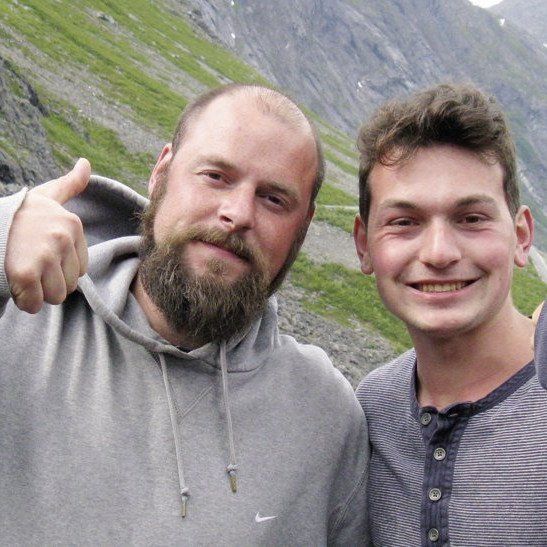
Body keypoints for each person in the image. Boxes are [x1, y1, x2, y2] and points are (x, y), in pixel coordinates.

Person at [0, 84, 369, 545]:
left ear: (303, 228)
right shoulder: (17, 312)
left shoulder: (327, 416)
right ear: (161, 173)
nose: (237, 214)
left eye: (274, 199)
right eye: (216, 176)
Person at [353, 83, 547, 545]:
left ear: (521, 237)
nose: (439, 253)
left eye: (471, 218)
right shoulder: (371, 408)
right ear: (364, 245)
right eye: (404, 222)